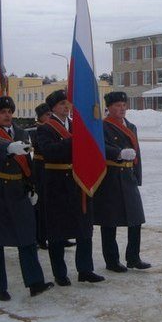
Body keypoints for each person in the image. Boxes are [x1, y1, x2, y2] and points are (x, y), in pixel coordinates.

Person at [0, 96, 53, 301]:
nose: (7, 115)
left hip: (18, 190)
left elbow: (26, 163)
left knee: (27, 237)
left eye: (9, 111)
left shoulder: (19, 132)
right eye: (2, 112)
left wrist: (31, 187)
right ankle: (0, 287)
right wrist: (8, 148)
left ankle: (35, 283)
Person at [37, 89, 104, 286]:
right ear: (52, 108)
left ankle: (85, 269)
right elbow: (49, 152)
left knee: (84, 228)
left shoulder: (77, 126)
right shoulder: (45, 128)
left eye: (68, 103)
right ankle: (60, 273)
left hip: (79, 181)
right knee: (57, 231)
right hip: (57, 183)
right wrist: (74, 141)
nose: (66, 107)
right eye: (61, 104)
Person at [93, 91, 151, 272]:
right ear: (109, 108)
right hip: (110, 176)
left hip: (127, 176)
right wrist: (117, 153)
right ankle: (112, 261)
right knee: (109, 222)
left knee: (135, 220)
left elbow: (137, 153)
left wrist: (137, 176)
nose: (121, 109)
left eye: (124, 105)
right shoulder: (102, 126)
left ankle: (133, 257)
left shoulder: (131, 126)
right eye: (117, 106)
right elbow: (100, 146)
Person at [28, 103, 52, 249]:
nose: (49, 118)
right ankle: (40, 237)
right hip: (40, 168)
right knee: (40, 204)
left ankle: (53, 235)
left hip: (51, 168)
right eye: (47, 115)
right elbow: (41, 147)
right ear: (40, 116)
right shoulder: (36, 129)